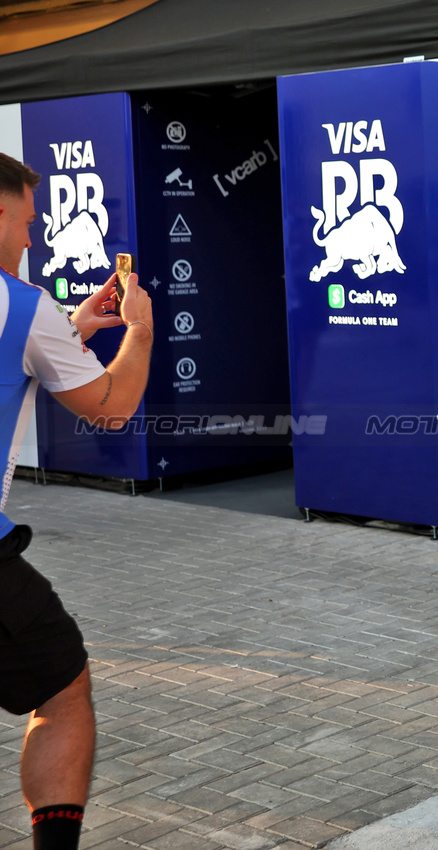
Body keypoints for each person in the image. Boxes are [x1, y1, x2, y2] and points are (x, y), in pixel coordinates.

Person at [0, 151, 153, 850]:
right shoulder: (21, 307)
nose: (32, 236)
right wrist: (141, 333)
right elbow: (113, 407)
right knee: (62, 693)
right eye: (27, 220)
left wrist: (67, 327)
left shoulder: (34, 315)